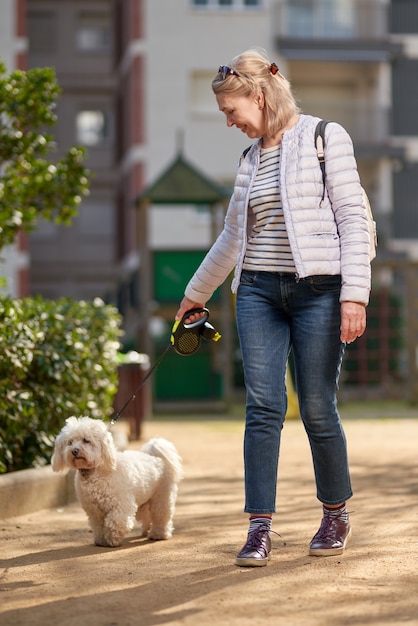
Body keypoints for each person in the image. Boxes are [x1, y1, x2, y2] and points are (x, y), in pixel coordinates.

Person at [175, 48, 371, 567]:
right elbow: (231, 239)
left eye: (231, 110)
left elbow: (353, 217)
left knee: (315, 406)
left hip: (320, 293)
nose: (229, 122)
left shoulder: (326, 137)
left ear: (259, 96)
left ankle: (335, 513)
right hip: (259, 291)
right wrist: (196, 292)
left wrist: (355, 294)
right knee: (262, 407)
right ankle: (259, 527)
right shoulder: (249, 160)